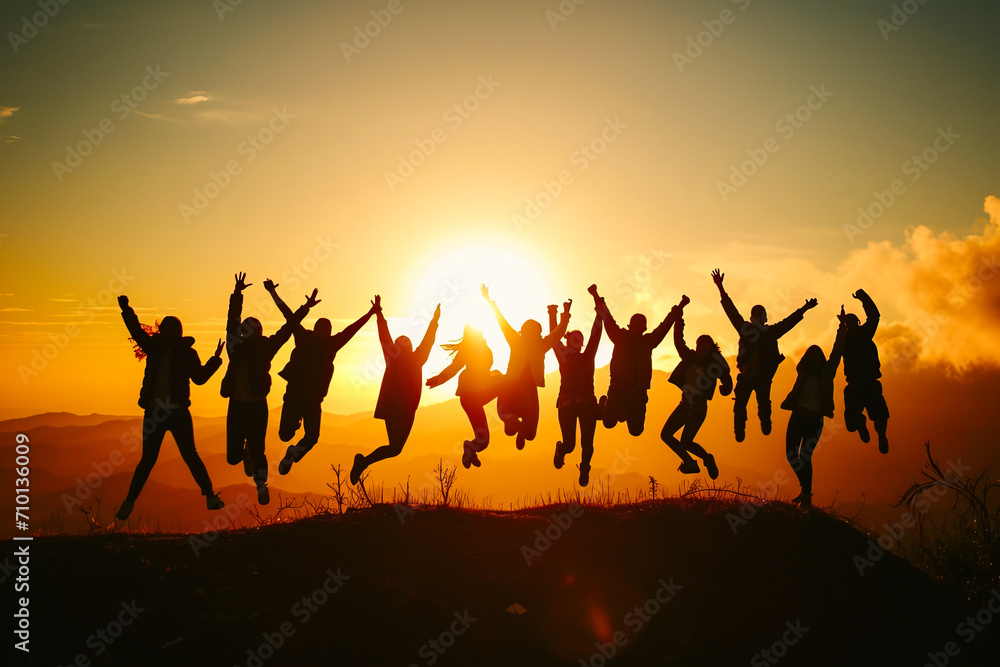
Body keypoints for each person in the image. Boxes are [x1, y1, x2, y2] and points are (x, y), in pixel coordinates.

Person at [115, 295, 225, 521]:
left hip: (168, 413)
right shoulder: (158, 348)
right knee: (173, 457)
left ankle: (130, 502)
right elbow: (136, 331)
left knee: (172, 457)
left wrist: (215, 360)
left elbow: (199, 377)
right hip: (167, 412)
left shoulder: (173, 351)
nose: (170, 333)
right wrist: (126, 310)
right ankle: (209, 496)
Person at [222, 273, 318, 505]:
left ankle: (261, 484)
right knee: (233, 457)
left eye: (249, 329)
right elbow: (232, 320)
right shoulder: (236, 347)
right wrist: (237, 294)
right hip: (237, 405)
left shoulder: (265, 347)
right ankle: (245, 456)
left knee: (258, 450)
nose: (246, 333)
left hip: (256, 406)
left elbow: (289, 328)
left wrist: (305, 307)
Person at [276, 296, 379, 474]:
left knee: (311, 437)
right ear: (318, 330)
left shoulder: (328, 343)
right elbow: (289, 316)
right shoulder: (311, 339)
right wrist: (371, 312)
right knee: (286, 435)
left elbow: (351, 330)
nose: (326, 332)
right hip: (296, 397)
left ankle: (292, 455)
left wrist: (370, 313)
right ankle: (293, 434)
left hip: (309, 400)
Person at [711, 268, 817, 442]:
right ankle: (740, 430)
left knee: (763, 404)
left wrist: (804, 308)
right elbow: (731, 312)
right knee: (740, 406)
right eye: (756, 316)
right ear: (753, 318)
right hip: (747, 376)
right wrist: (720, 288)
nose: (758, 319)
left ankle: (764, 423)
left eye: (760, 316)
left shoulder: (768, 332)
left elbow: (788, 323)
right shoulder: (747, 330)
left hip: (762, 377)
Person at [350, 302, 441, 484]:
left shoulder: (395, 357)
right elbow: (428, 340)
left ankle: (363, 462)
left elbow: (385, 337)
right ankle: (363, 462)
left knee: (395, 448)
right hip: (404, 412)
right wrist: (434, 320)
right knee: (395, 448)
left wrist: (380, 314)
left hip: (396, 411)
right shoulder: (416, 358)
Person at [482, 284, 570, 450]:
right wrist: (489, 302)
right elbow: (502, 322)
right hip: (513, 387)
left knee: (530, 434)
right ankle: (517, 427)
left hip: (525, 389)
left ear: (536, 333)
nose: (530, 333)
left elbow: (559, 332)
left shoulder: (536, 343)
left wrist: (564, 313)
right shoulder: (521, 341)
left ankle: (521, 429)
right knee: (510, 427)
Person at [592, 285, 685, 436]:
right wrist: (596, 296)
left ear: (643, 329)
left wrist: (680, 306)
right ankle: (605, 405)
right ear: (631, 327)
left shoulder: (648, 342)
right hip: (618, 389)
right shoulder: (620, 337)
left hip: (638, 393)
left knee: (636, 431)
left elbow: (665, 326)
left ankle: (623, 412)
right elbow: (608, 319)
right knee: (608, 423)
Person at [661, 300, 733, 479]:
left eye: (704, 345)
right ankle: (690, 462)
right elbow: (679, 341)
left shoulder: (715, 362)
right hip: (684, 403)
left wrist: (726, 388)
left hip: (699, 407)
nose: (700, 347)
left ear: (711, 347)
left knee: (686, 441)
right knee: (666, 434)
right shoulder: (690, 357)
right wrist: (679, 319)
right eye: (699, 344)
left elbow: (727, 377)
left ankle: (707, 459)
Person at [780, 317, 847, 507]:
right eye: (811, 356)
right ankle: (805, 490)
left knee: (805, 457)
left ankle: (807, 495)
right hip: (798, 415)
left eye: (817, 356)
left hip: (815, 419)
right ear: (807, 359)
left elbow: (837, 351)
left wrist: (841, 328)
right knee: (791, 455)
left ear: (822, 358)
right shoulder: (803, 371)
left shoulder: (827, 371)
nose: (814, 359)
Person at [426, 325, 503, 468]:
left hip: (477, 395)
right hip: (471, 397)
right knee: (504, 383)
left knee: (484, 440)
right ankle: (506, 415)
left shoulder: (483, 347)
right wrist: (439, 379)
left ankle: (470, 449)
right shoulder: (468, 351)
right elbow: (454, 368)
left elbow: (485, 374)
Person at [549, 293, 602, 487]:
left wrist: (600, 313)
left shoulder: (588, 356)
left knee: (587, 443)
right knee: (570, 444)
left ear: (582, 343)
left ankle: (585, 468)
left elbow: (596, 335)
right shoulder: (562, 356)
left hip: (587, 405)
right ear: (568, 340)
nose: (578, 340)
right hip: (567, 405)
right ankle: (561, 449)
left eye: (580, 338)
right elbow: (554, 336)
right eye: (574, 337)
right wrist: (553, 312)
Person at [841, 289, 890, 453]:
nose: (852, 325)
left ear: (858, 323)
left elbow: (874, 316)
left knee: (880, 416)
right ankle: (861, 425)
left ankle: (881, 436)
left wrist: (863, 297)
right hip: (855, 385)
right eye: (849, 323)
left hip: (868, 382)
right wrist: (842, 324)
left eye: (853, 321)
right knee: (852, 422)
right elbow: (836, 345)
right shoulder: (845, 340)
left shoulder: (865, 334)